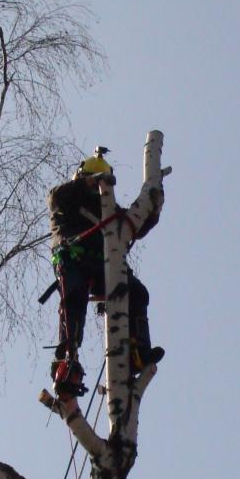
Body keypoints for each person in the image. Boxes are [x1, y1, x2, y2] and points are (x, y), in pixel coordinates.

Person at [47, 147, 164, 397]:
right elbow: (55, 197)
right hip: (74, 260)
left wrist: (153, 210)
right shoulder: (67, 199)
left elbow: (135, 226)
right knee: (74, 296)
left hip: (105, 266)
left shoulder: (108, 211)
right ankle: (68, 356)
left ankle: (137, 350)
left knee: (137, 293)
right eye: (92, 182)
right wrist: (91, 182)